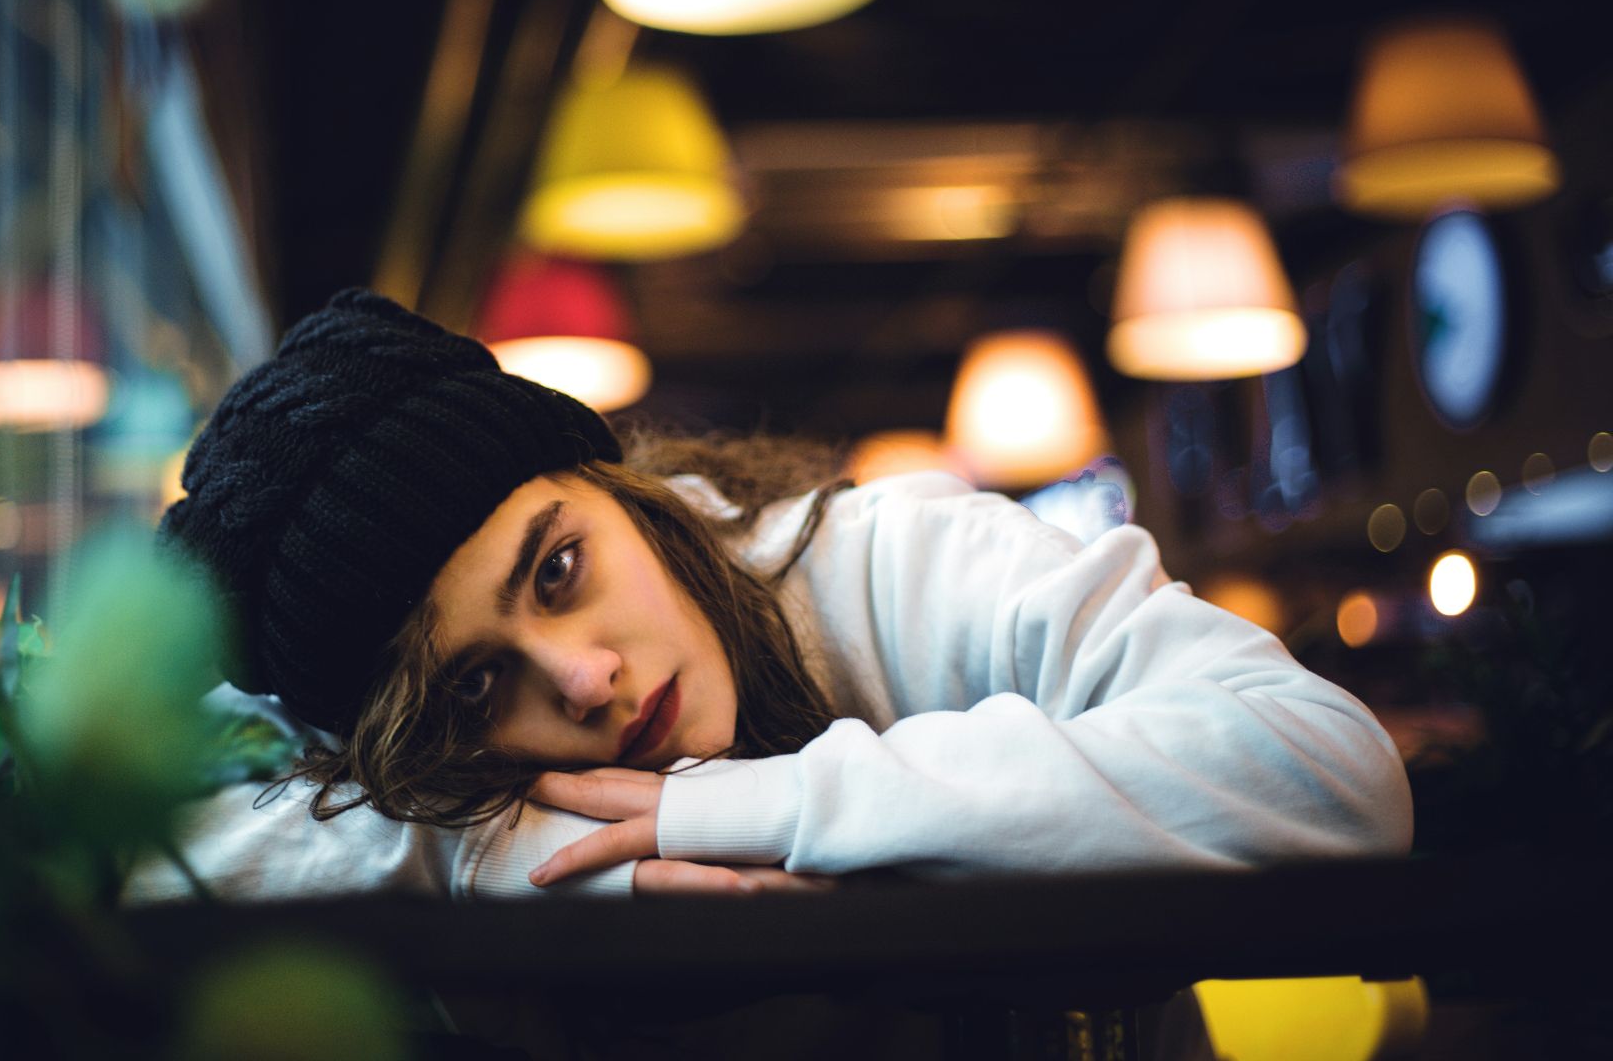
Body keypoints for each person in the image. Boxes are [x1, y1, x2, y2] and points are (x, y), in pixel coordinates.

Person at [127, 289, 1413, 903]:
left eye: (557, 568)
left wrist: (763, 806)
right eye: (475, 685)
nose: (582, 680)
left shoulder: (889, 564)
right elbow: (107, 851)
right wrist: (496, 856)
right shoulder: (463, 795)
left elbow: (1328, 768)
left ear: (612, 483)